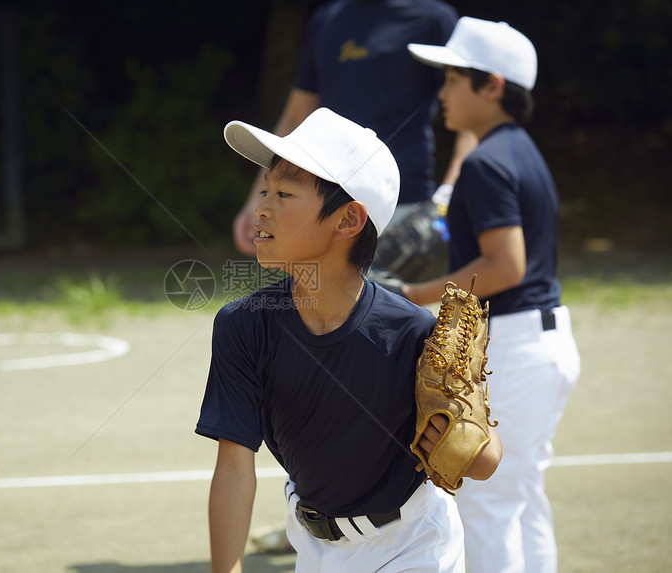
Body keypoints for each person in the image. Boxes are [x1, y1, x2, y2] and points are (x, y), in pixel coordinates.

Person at [197, 107, 502, 572]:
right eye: (265, 190)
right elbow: (235, 466)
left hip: (414, 545)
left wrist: (466, 442)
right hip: (316, 550)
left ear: (347, 221)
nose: (262, 207)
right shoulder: (244, 325)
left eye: (284, 193)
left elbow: (483, 463)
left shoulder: (413, 332)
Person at [394, 17, 581, 573]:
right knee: (521, 502)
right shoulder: (518, 149)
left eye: (453, 78)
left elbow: (505, 265)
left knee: (486, 502)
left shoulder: (485, 162)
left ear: (492, 86)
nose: (443, 92)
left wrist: (413, 292)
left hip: (519, 349)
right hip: (540, 341)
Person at [232, 0, 478, 283]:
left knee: (391, 316)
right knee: (322, 314)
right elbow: (295, 117)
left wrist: (448, 195)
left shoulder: (433, 19)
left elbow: (468, 109)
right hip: (325, 200)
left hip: (405, 203)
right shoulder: (327, 19)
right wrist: (257, 199)